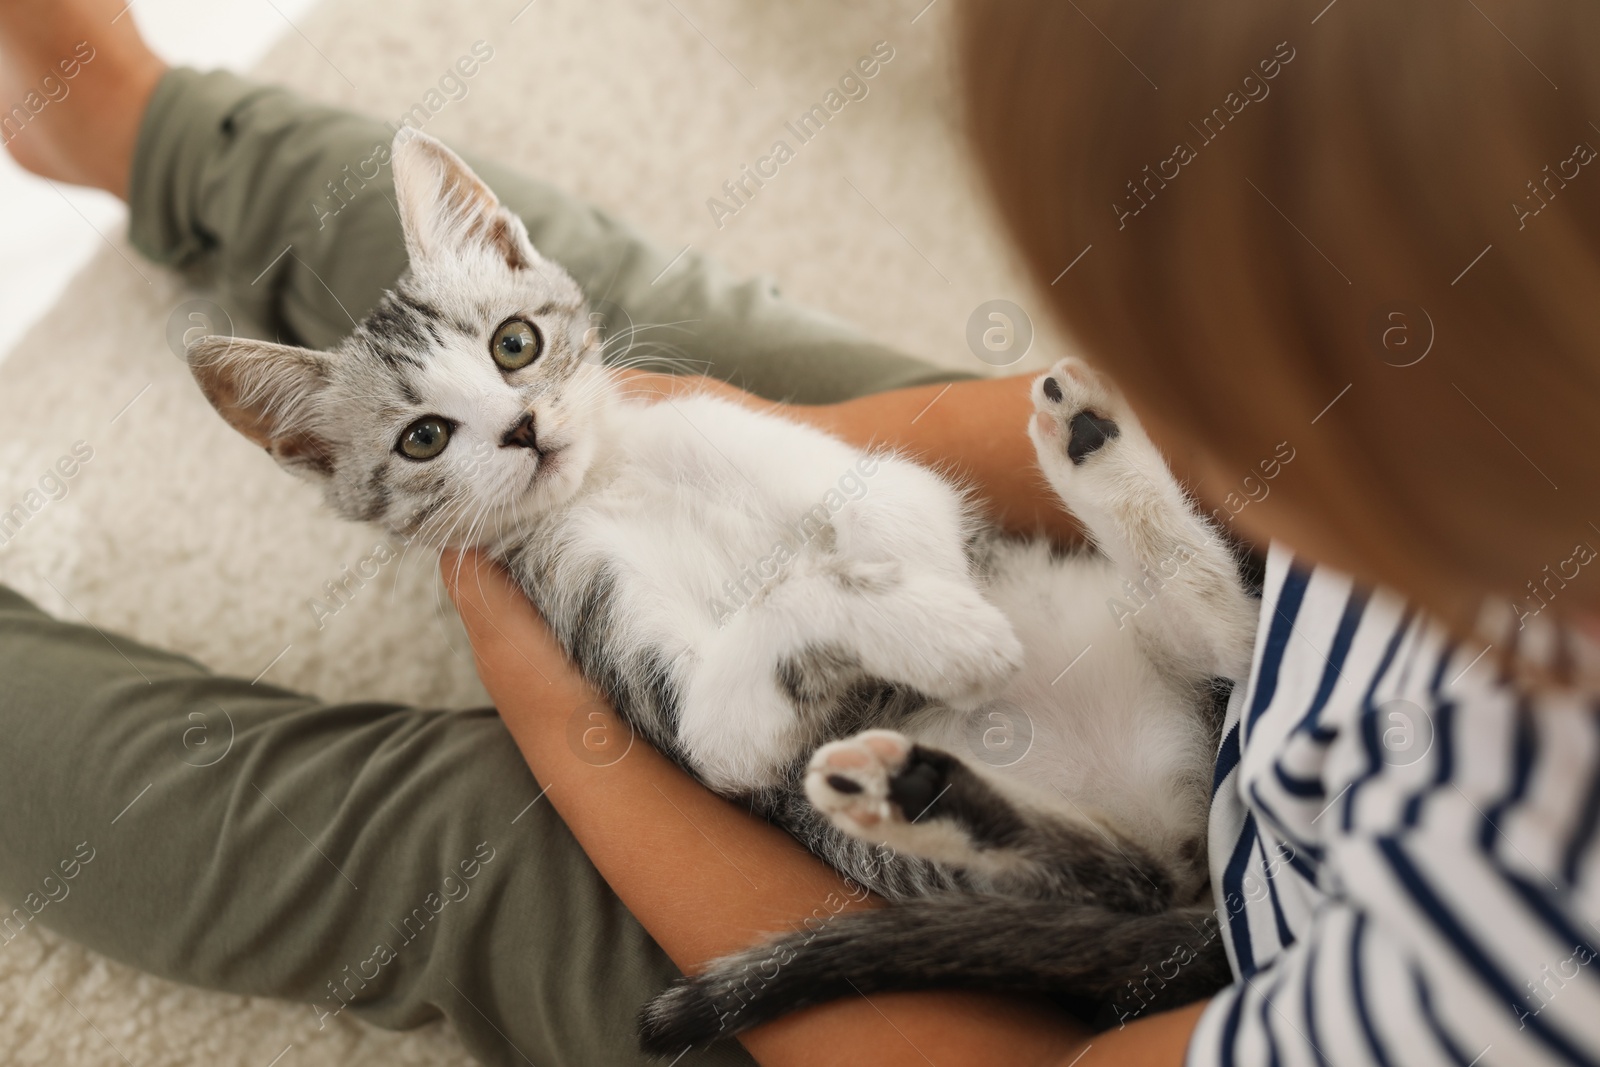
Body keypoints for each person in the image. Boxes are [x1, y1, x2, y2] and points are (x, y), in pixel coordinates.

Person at [2, 0, 1598, 1065]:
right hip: (1199, 586)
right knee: (698, 339)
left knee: (445, 835)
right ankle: (130, 121)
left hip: (1070, 904)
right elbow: (1199, 430)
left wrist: (557, 709)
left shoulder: (1494, 964)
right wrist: (790, 443)